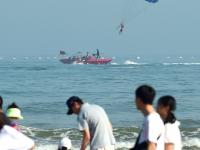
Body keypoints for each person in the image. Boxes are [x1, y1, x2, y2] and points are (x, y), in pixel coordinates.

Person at [131, 85, 165, 150]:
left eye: (135, 98)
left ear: (139, 100)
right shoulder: (151, 118)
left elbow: (151, 145)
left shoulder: (151, 119)